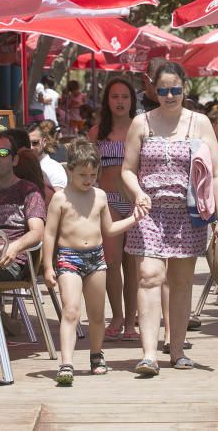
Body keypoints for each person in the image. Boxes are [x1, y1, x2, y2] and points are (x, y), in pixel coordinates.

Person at [121, 60, 218, 375]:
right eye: (163, 90)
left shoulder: (200, 123)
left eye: (175, 90)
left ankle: (177, 351)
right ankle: (149, 354)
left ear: (185, 89)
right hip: (150, 211)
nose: (169, 96)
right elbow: (127, 169)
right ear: (154, 90)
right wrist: (137, 192)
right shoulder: (141, 123)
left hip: (188, 213)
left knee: (181, 283)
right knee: (149, 276)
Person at [42, 140, 143, 385]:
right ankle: (66, 362)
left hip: (96, 258)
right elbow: (49, 234)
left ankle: (96, 354)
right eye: (82, 175)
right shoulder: (60, 199)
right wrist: (47, 265)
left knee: (97, 315)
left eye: (93, 174)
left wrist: (133, 219)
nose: (88, 179)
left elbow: (108, 229)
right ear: (69, 171)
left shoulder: (100, 196)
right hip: (69, 258)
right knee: (71, 310)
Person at [88, 77, 140, 342]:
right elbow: (87, 171)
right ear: (107, 101)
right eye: (115, 96)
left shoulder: (140, 129)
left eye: (125, 97)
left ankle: (131, 320)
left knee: (133, 266)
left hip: (134, 202)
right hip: (107, 201)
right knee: (111, 263)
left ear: (132, 101)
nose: (120, 102)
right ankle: (117, 315)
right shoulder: (97, 133)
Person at [0, 132, 47, 283]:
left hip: (11, 262)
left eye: (2, 153)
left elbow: (38, 232)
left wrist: (13, 247)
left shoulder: (29, 191)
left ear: (14, 160)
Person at [29, 122, 68, 191]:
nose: (30, 147)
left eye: (35, 143)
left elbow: (58, 199)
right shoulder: (20, 166)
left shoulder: (54, 169)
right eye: (26, 143)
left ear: (44, 142)